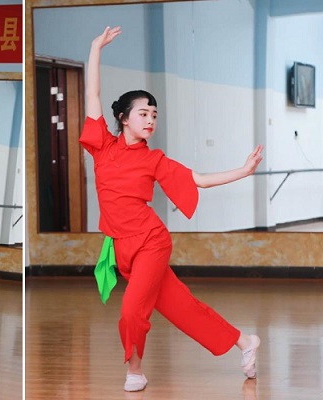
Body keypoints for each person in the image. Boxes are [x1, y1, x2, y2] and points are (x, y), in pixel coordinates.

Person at [80, 26, 264, 392]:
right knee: (182, 308)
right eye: (143, 113)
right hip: (121, 247)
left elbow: (199, 180)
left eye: (154, 114)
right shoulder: (101, 145)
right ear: (124, 118)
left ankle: (135, 371)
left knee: (131, 311)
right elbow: (92, 93)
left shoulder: (154, 160)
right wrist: (95, 47)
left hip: (151, 242)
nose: (150, 120)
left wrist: (243, 171)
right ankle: (245, 342)